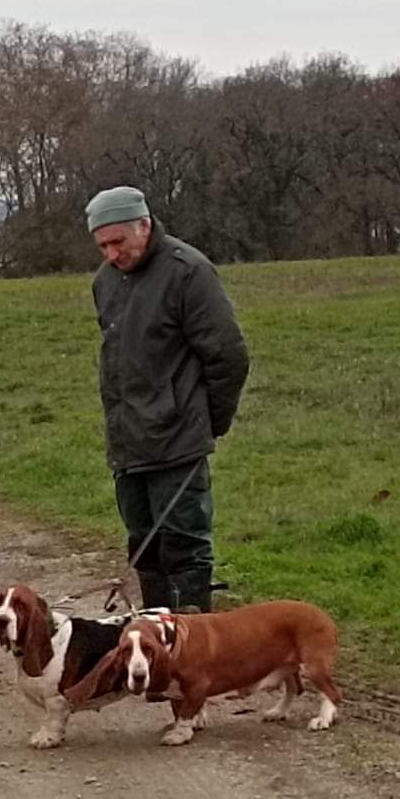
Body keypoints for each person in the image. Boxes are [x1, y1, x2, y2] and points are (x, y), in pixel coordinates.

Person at [85, 186, 249, 612]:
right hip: (128, 444)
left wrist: (207, 423)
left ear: (145, 225)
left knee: (185, 546)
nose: (111, 254)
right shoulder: (105, 282)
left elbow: (228, 355)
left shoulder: (188, 272)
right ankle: (156, 642)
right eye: (102, 245)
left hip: (178, 441)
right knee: (144, 546)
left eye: (118, 242)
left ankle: (194, 648)